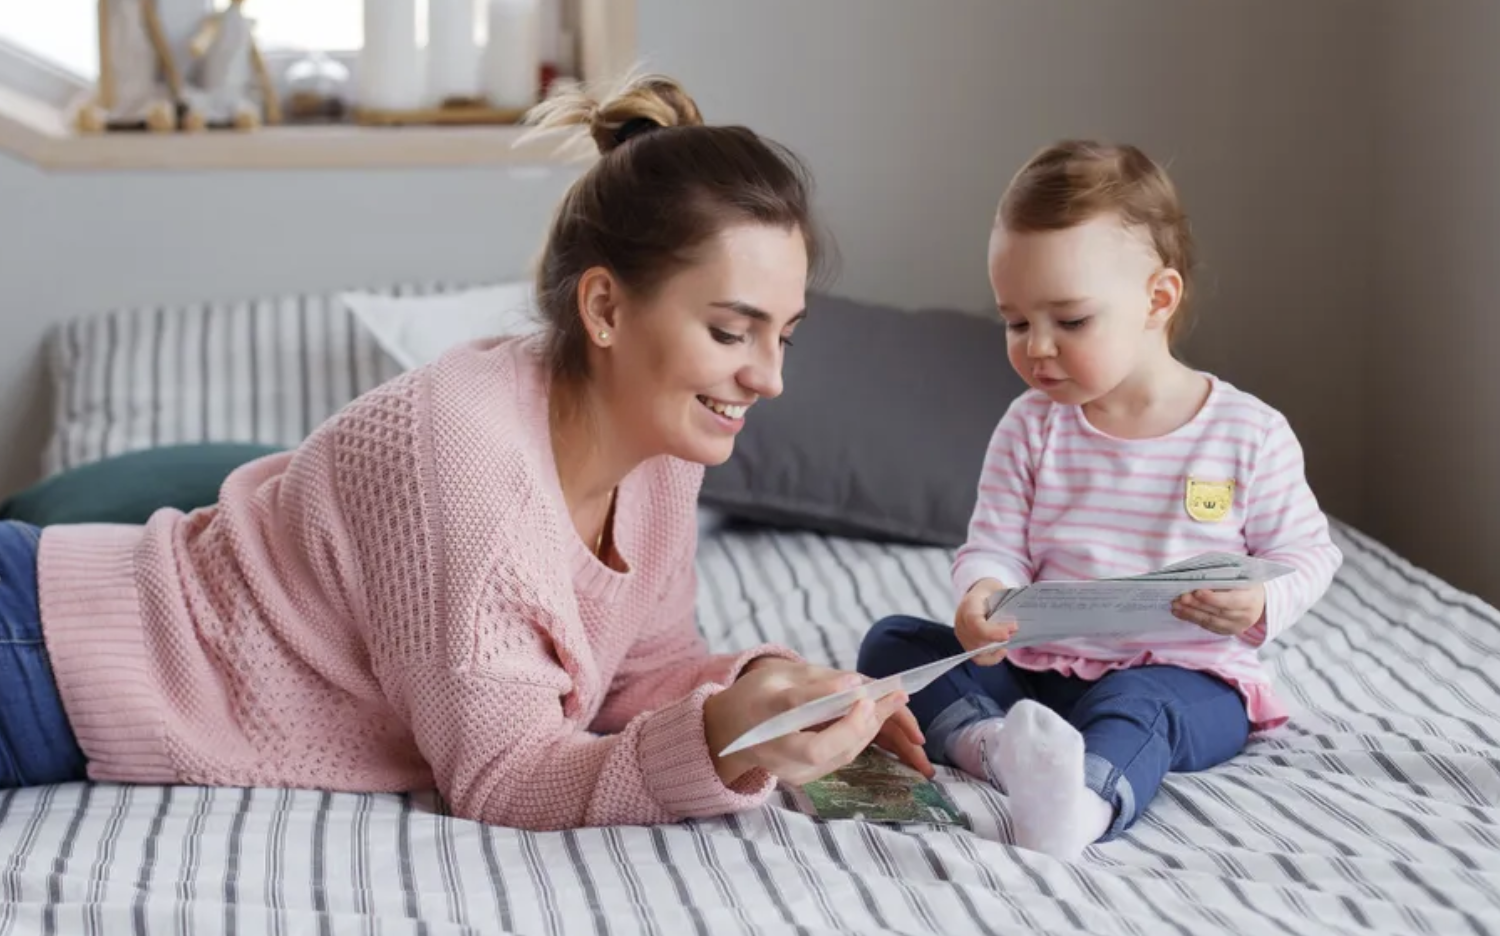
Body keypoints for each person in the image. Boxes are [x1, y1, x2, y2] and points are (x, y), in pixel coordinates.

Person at [0, 74, 928, 829]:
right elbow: (506, 778)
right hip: (40, 653)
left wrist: (769, 695)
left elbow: (636, 675)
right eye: (731, 332)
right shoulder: (461, 458)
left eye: (784, 336)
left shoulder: (664, 453)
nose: (769, 378)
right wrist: (721, 742)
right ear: (605, 308)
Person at [858, 140, 1343, 860]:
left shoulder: (1248, 432)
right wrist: (983, 594)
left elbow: (1309, 552)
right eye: (1016, 322)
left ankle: (1081, 803)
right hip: (1040, 671)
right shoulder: (1030, 425)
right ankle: (995, 747)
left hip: (1186, 677)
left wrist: (1260, 603)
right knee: (894, 643)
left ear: (1157, 300)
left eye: (1070, 321)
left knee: (1138, 705)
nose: (1037, 348)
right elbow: (995, 544)